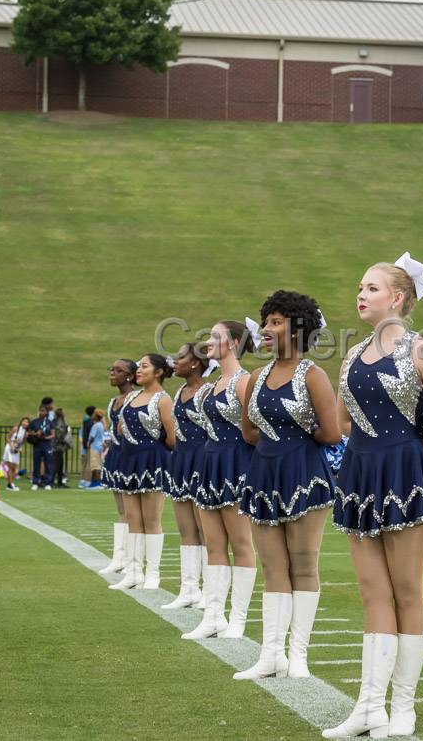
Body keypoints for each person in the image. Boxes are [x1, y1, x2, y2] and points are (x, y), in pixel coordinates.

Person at [326, 256, 423, 739]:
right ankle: (369, 707)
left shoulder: (420, 350)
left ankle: (403, 707)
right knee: (372, 593)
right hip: (361, 475)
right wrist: (372, 453)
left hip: (404, 476)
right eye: (359, 286)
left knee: (406, 591)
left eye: (371, 287)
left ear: (398, 298)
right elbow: (344, 421)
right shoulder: (350, 355)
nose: (361, 294)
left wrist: (411, 451)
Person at [234, 291, 342, 681]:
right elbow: (247, 432)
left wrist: (293, 435)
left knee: (303, 562)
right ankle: (270, 654)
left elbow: (331, 433)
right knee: (272, 566)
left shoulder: (313, 375)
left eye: (276, 322)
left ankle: (298, 656)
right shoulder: (255, 378)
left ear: (297, 329)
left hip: (304, 474)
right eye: (266, 321)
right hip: (263, 473)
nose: (265, 329)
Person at [184, 321, 257, 641]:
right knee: (213, 544)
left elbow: (255, 431)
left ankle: (237, 619)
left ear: (235, 343)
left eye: (216, 336)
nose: (209, 341)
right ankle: (213, 615)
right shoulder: (210, 386)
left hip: (237, 464)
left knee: (241, 544)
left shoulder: (243, 382)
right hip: (210, 463)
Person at [107, 354, 176, 591]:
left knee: (151, 519)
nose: (139, 370)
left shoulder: (163, 399)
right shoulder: (133, 396)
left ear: (158, 372)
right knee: (133, 519)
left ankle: (152, 573)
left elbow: (172, 437)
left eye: (144, 366)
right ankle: (133, 572)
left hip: (152, 460)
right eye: (138, 366)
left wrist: (152, 448)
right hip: (129, 460)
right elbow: (120, 426)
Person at [160, 344, 211, 610]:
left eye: (180, 357)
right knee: (186, 529)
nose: (174, 361)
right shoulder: (179, 391)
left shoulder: (206, 391)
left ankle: (208, 591)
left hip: (202, 462)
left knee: (206, 530)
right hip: (181, 461)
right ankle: (189, 588)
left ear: (195, 364)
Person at [97, 359, 138, 576]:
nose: (112, 373)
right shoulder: (114, 400)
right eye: (111, 369)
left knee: (131, 511)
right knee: (121, 510)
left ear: (130, 376)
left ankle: (130, 559)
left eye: (118, 370)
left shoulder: (135, 397)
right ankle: (119, 557)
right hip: (115, 455)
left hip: (129, 456)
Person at [28, 398, 55, 490]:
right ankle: (35, 481)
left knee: (48, 463)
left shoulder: (49, 422)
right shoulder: (34, 422)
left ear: (47, 412)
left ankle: (48, 482)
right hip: (37, 445)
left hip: (47, 444)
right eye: (40, 410)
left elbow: (53, 434)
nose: (42, 412)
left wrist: (45, 437)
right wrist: (36, 434)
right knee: (37, 463)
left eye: (43, 411)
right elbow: (28, 433)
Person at [2, 417, 28, 491]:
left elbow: (22, 442)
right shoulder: (15, 429)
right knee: (11, 467)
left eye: (27, 422)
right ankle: (10, 485)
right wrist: (11, 445)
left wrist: (19, 447)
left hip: (16, 450)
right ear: (21, 421)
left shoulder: (25, 433)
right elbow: (8, 437)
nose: (25, 423)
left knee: (15, 468)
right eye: (24, 421)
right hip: (10, 448)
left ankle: (9, 484)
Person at [86, 409, 105, 489]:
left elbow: (92, 437)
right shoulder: (101, 425)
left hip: (94, 447)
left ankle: (96, 483)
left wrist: (89, 444)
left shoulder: (96, 425)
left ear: (97, 416)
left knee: (95, 465)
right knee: (98, 464)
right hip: (100, 446)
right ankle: (97, 482)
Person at [79, 405, 96, 488]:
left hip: (85, 445)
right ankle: (87, 480)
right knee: (89, 464)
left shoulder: (85, 421)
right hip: (89, 445)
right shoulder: (90, 422)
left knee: (85, 463)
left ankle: (83, 480)